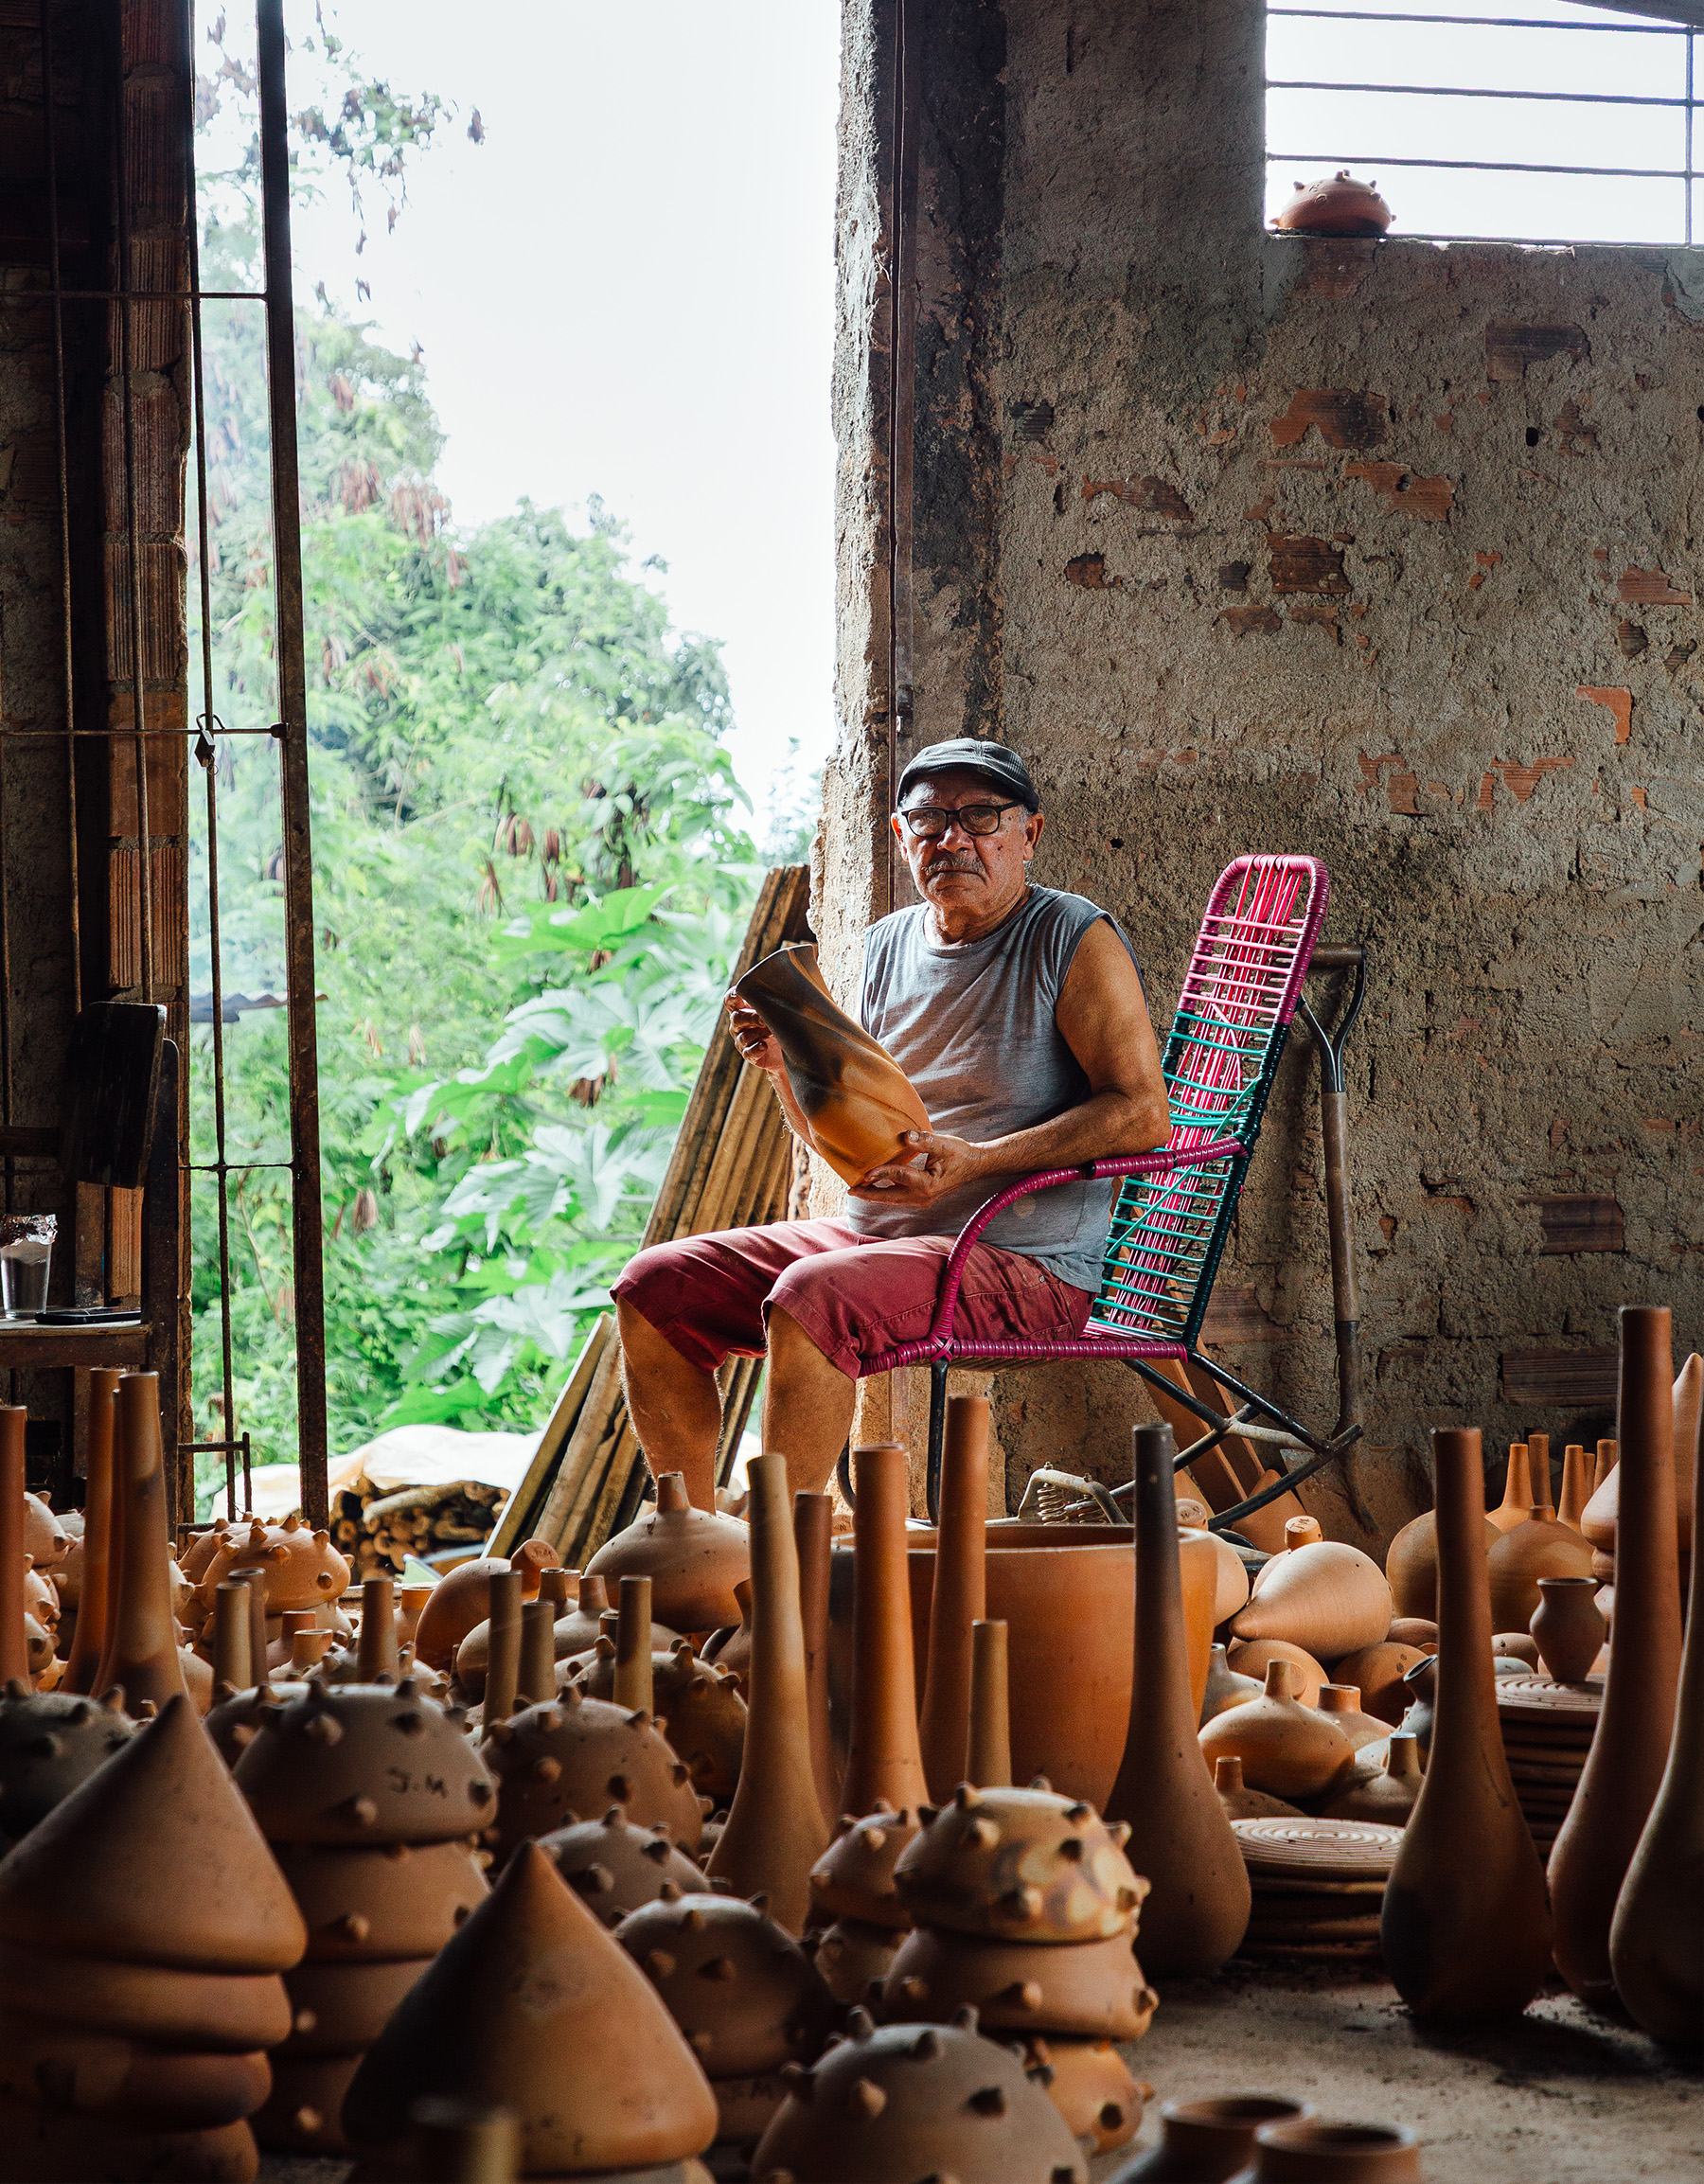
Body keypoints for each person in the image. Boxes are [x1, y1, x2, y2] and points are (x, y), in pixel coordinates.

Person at [612, 737, 1170, 1502]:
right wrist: (783, 1072)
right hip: (877, 1241)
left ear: (1028, 834)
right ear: (901, 835)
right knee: (655, 1288)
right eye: (930, 819)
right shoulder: (883, 946)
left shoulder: (1068, 937)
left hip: (1030, 1261)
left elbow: (1143, 1114)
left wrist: (976, 1160)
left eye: (980, 816)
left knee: (815, 1299)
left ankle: (781, 1574)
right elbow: (842, 1143)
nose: (952, 837)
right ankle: (698, 1546)